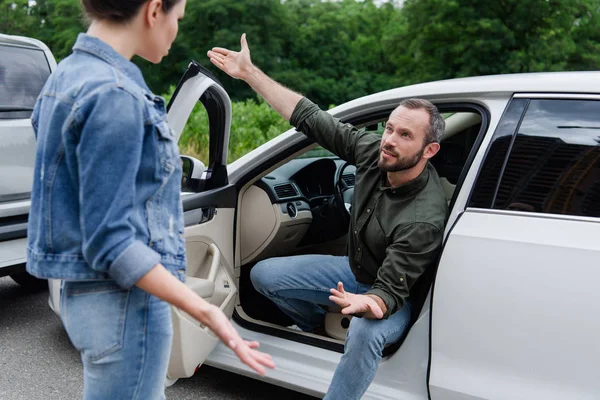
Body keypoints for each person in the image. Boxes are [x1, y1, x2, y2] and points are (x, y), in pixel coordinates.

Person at [26, 2, 274, 399]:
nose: (176, 31)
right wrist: (204, 308)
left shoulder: (66, 77)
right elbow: (112, 241)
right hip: (126, 308)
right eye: (178, 18)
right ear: (154, 9)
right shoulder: (115, 94)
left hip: (84, 296)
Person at [207, 34, 448, 399]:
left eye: (404, 135)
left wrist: (367, 304)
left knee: (366, 329)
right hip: (356, 274)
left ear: (429, 149)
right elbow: (311, 119)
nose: (389, 139)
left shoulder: (422, 217)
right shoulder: (375, 153)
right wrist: (250, 74)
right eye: (388, 128)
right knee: (263, 274)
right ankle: (317, 327)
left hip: (397, 298)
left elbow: (389, 292)